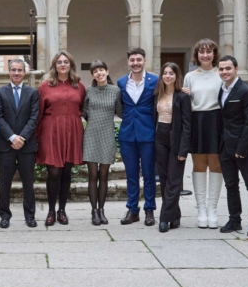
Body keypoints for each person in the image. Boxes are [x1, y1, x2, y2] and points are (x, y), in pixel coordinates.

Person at [36, 51, 85, 227]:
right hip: (51, 132)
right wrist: (36, 137)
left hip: (72, 132)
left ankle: (62, 210)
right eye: (59, 62)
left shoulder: (79, 86)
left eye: (65, 62)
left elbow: (84, 109)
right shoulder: (44, 86)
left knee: (66, 172)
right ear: (54, 66)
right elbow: (39, 113)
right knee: (54, 172)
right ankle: (50, 211)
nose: (62, 65)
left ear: (70, 64)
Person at [217, 55, 248, 237]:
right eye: (221, 69)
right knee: (231, 186)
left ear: (236, 69)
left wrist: (241, 148)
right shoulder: (221, 89)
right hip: (225, 147)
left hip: (244, 148)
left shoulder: (246, 91)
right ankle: (235, 220)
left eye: (228, 68)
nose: (224, 72)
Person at [0, 58, 40, 229]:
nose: (16, 73)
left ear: (24, 72)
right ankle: (4, 215)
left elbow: (34, 118)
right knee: (5, 182)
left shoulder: (33, 93)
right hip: (6, 145)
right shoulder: (0, 92)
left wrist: (22, 138)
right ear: (9, 71)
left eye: (20, 70)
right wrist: (12, 137)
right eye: (13, 70)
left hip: (27, 146)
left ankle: (30, 216)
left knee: (28, 182)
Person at [182, 39, 223, 229]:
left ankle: (212, 209)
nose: (205, 55)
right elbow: (186, 102)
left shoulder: (221, 74)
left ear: (215, 54)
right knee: (199, 164)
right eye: (202, 52)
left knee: (215, 164)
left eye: (209, 51)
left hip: (217, 120)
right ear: (196, 54)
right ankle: (200, 209)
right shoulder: (190, 76)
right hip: (197, 120)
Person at [116, 47, 158, 226]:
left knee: (149, 175)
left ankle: (149, 210)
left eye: (139, 59)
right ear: (128, 62)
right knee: (131, 174)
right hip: (127, 135)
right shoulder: (121, 82)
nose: (135, 63)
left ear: (144, 61)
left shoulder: (155, 81)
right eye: (132, 60)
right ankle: (133, 210)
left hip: (148, 134)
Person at [81, 60, 122, 226]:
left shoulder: (115, 91)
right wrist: (91, 119)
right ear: (92, 75)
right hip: (91, 134)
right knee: (92, 175)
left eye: (101, 70)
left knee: (104, 175)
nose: (99, 73)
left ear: (107, 71)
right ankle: (93, 211)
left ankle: (102, 210)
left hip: (107, 135)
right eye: (95, 71)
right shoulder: (89, 90)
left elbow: (120, 111)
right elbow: (83, 111)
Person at [153, 62, 191, 233]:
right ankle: (175, 214)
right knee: (165, 178)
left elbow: (187, 126)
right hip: (160, 137)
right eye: (165, 73)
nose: (168, 76)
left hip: (175, 138)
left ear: (177, 76)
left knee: (174, 181)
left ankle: (164, 218)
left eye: (171, 73)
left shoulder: (182, 97)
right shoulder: (157, 95)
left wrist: (184, 149)